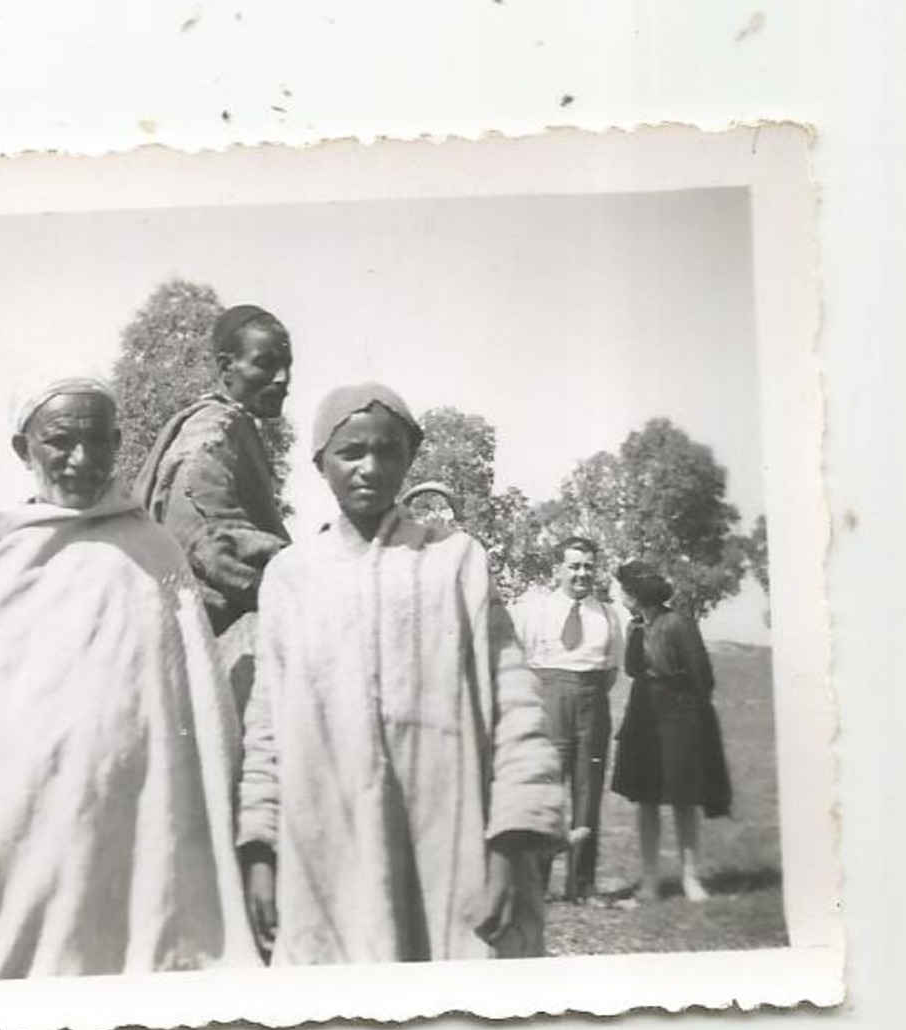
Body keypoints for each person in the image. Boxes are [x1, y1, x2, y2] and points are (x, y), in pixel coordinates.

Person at [0, 377, 258, 981]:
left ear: (119, 443)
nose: (81, 460)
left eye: (98, 442)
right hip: (21, 818)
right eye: (59, 442)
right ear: (24, 449)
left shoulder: (153, 551)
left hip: (136, 817)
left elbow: (194, 697)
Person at [237, 383, 566, 965]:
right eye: (351, 453)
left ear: (410, 457)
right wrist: (260, 850)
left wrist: (513, 843)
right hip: (328, 849)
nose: (370, 467)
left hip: (446, 848)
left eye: (388, 451)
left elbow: (516, 705)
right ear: (320, 463)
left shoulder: (455, 561)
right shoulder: (292, 576)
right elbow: (267, 724)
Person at [133, 304, 294, 709]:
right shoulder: (214, 428)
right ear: (227, 367)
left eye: (288, 366)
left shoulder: (235, 424)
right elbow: (207, 535)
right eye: (266, 364)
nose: (283, 379)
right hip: (210, 652)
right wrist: (304, 571)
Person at [610, 560, 733, 903]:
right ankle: (650, 880)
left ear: (637, 594)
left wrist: (689, 717)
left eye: (624, 590)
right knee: (646, 798)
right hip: (643, 716)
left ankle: (690, 878)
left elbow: (702, 678)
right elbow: (633, 670)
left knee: (683, 799)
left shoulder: (679, 623)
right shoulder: (635, 626)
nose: (619, 596)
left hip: (680, 716)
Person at [512, 537, 624, 903]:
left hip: (592, 703)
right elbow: (525, 660)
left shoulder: (608, 614)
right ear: (559, 568)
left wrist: (583, 692)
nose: (581, 574)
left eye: (588, 566)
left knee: (587, 793)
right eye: (574, 566)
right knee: (545, 793)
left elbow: (609, 671)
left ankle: (581, 885)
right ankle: (536, 884)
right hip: (550, 701)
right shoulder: (536, 610)